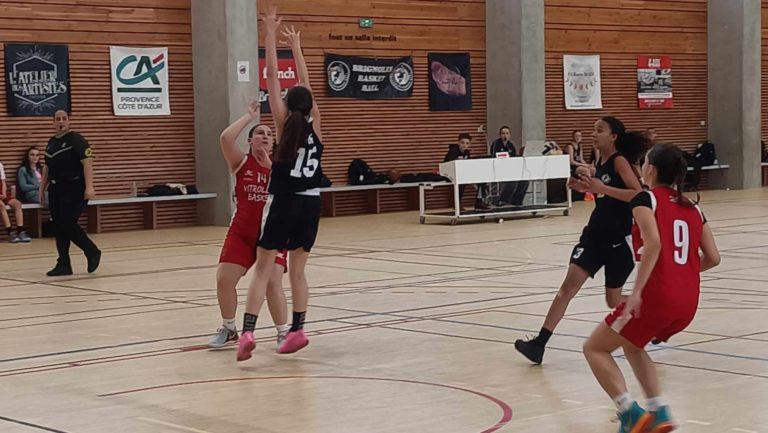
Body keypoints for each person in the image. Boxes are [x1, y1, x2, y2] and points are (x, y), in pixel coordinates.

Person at [583, 143, 720, 433]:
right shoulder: (693, 207)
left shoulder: (646, 199)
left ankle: (629, 412)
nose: (640, 168)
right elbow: (713, 258)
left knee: (594, 348)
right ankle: (658, 411)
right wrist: (680, 273)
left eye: (643, 163)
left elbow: (654, 242)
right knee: (633, 344)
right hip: (688, 302)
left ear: (651, 170)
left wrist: (636, 293)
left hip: (657, 296)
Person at [514, 116, 648, 365]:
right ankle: (539, 344)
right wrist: (583, 187)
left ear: (613, 137)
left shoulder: (619, 161)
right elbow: (601, 192)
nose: (593, 134)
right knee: (566, 289)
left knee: (612, 300)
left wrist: (601, 189)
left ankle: (648, 313)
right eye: (594, 129)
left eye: (600, 130)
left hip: (618, 241)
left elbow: (638, 196)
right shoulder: (599, 162)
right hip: (594, 236)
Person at [237, 11, 323, 361]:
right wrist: (297, 47)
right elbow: (307, 86)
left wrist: (270, 35)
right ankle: (298, 329)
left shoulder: (284, 123)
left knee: (263, 267)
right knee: (298, 272)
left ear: (287, 104)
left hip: (285, 200)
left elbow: (272, 76)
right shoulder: (317, 126)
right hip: (312, 202)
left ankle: (247, 332)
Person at [207, 101, 291, 349]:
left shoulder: (282, 165)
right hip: (242, 232)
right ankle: (229, 328)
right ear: (250, 140)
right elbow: (225, 138)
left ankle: (283, 332)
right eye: (259, 133)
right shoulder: (241, 162)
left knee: (273, 283)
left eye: (269, 134)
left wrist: (270, 167)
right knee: (224, 279)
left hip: (272, 233)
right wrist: (249, 116)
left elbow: (291, 189)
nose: (265, 136)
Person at [40, 110, 101, 276]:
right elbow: (47, 167)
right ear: (53, 122)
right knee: (59, 226)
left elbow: (87, 163)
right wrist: (42, 188)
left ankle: (92, 251)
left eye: (64, 118)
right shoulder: (51, 142)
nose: (61, 121)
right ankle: (64, 264)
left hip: (74, 187)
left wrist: (90, 187)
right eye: (58, 119)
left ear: (68, 121)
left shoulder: (77, 139)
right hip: (56, 189)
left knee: (67, 223)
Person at [443, 133, 488, 209]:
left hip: (463, 173)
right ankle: (457, 203)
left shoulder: (467, 152)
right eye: (462, 143)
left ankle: (479, 201)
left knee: (482, 179)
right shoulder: (453, 151)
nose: (464, 145)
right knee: (461, 182)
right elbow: (448, 164)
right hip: (450, 174)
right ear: (458, 142)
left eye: (467, 143)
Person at [490, 126, 528, 206]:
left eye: (507, 133)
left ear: (510, 135)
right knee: (513, 182)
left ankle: (517, 201)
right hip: (499, 169)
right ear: (500, 135)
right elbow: (493, 157)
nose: (505, 135)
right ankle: (504, 200)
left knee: (525, 181)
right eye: (503, 133)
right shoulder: (496, 144)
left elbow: (514, 158)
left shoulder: (511, 145)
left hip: (511, 169)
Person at [0, 161, 30, 243]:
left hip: (2, 193)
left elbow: (3, 182)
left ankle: (20, 231)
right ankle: (10, 232)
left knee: (17, 204)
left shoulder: (0, 165)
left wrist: (4, 193)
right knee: (1, 205)